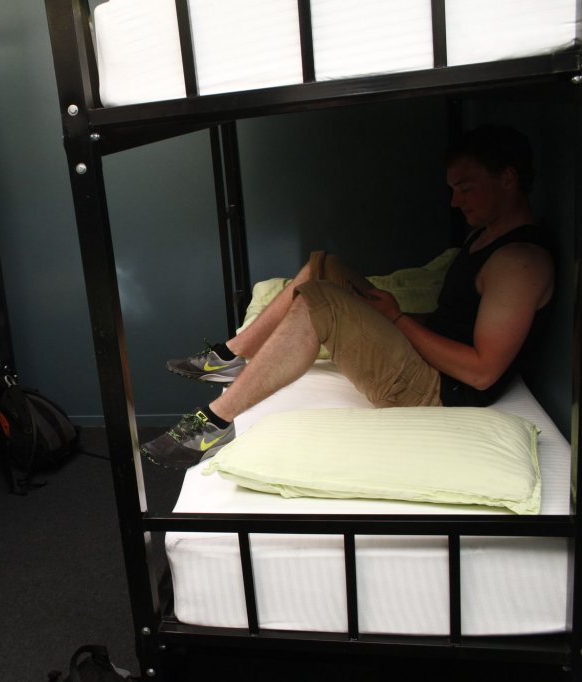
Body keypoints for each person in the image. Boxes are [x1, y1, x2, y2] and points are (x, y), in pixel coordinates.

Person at [143, 124, 555, 470]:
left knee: (318, 300)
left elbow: (482, 372)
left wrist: (397, 320)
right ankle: (231, 356)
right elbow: (457, 321)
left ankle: (214, 423)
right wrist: (391, 316)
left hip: (436, 392)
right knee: (323, 265)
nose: (454, 201)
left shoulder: (520, 263)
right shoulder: (484, 236)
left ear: (508, 179)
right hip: (424, 360)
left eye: (465, 188)